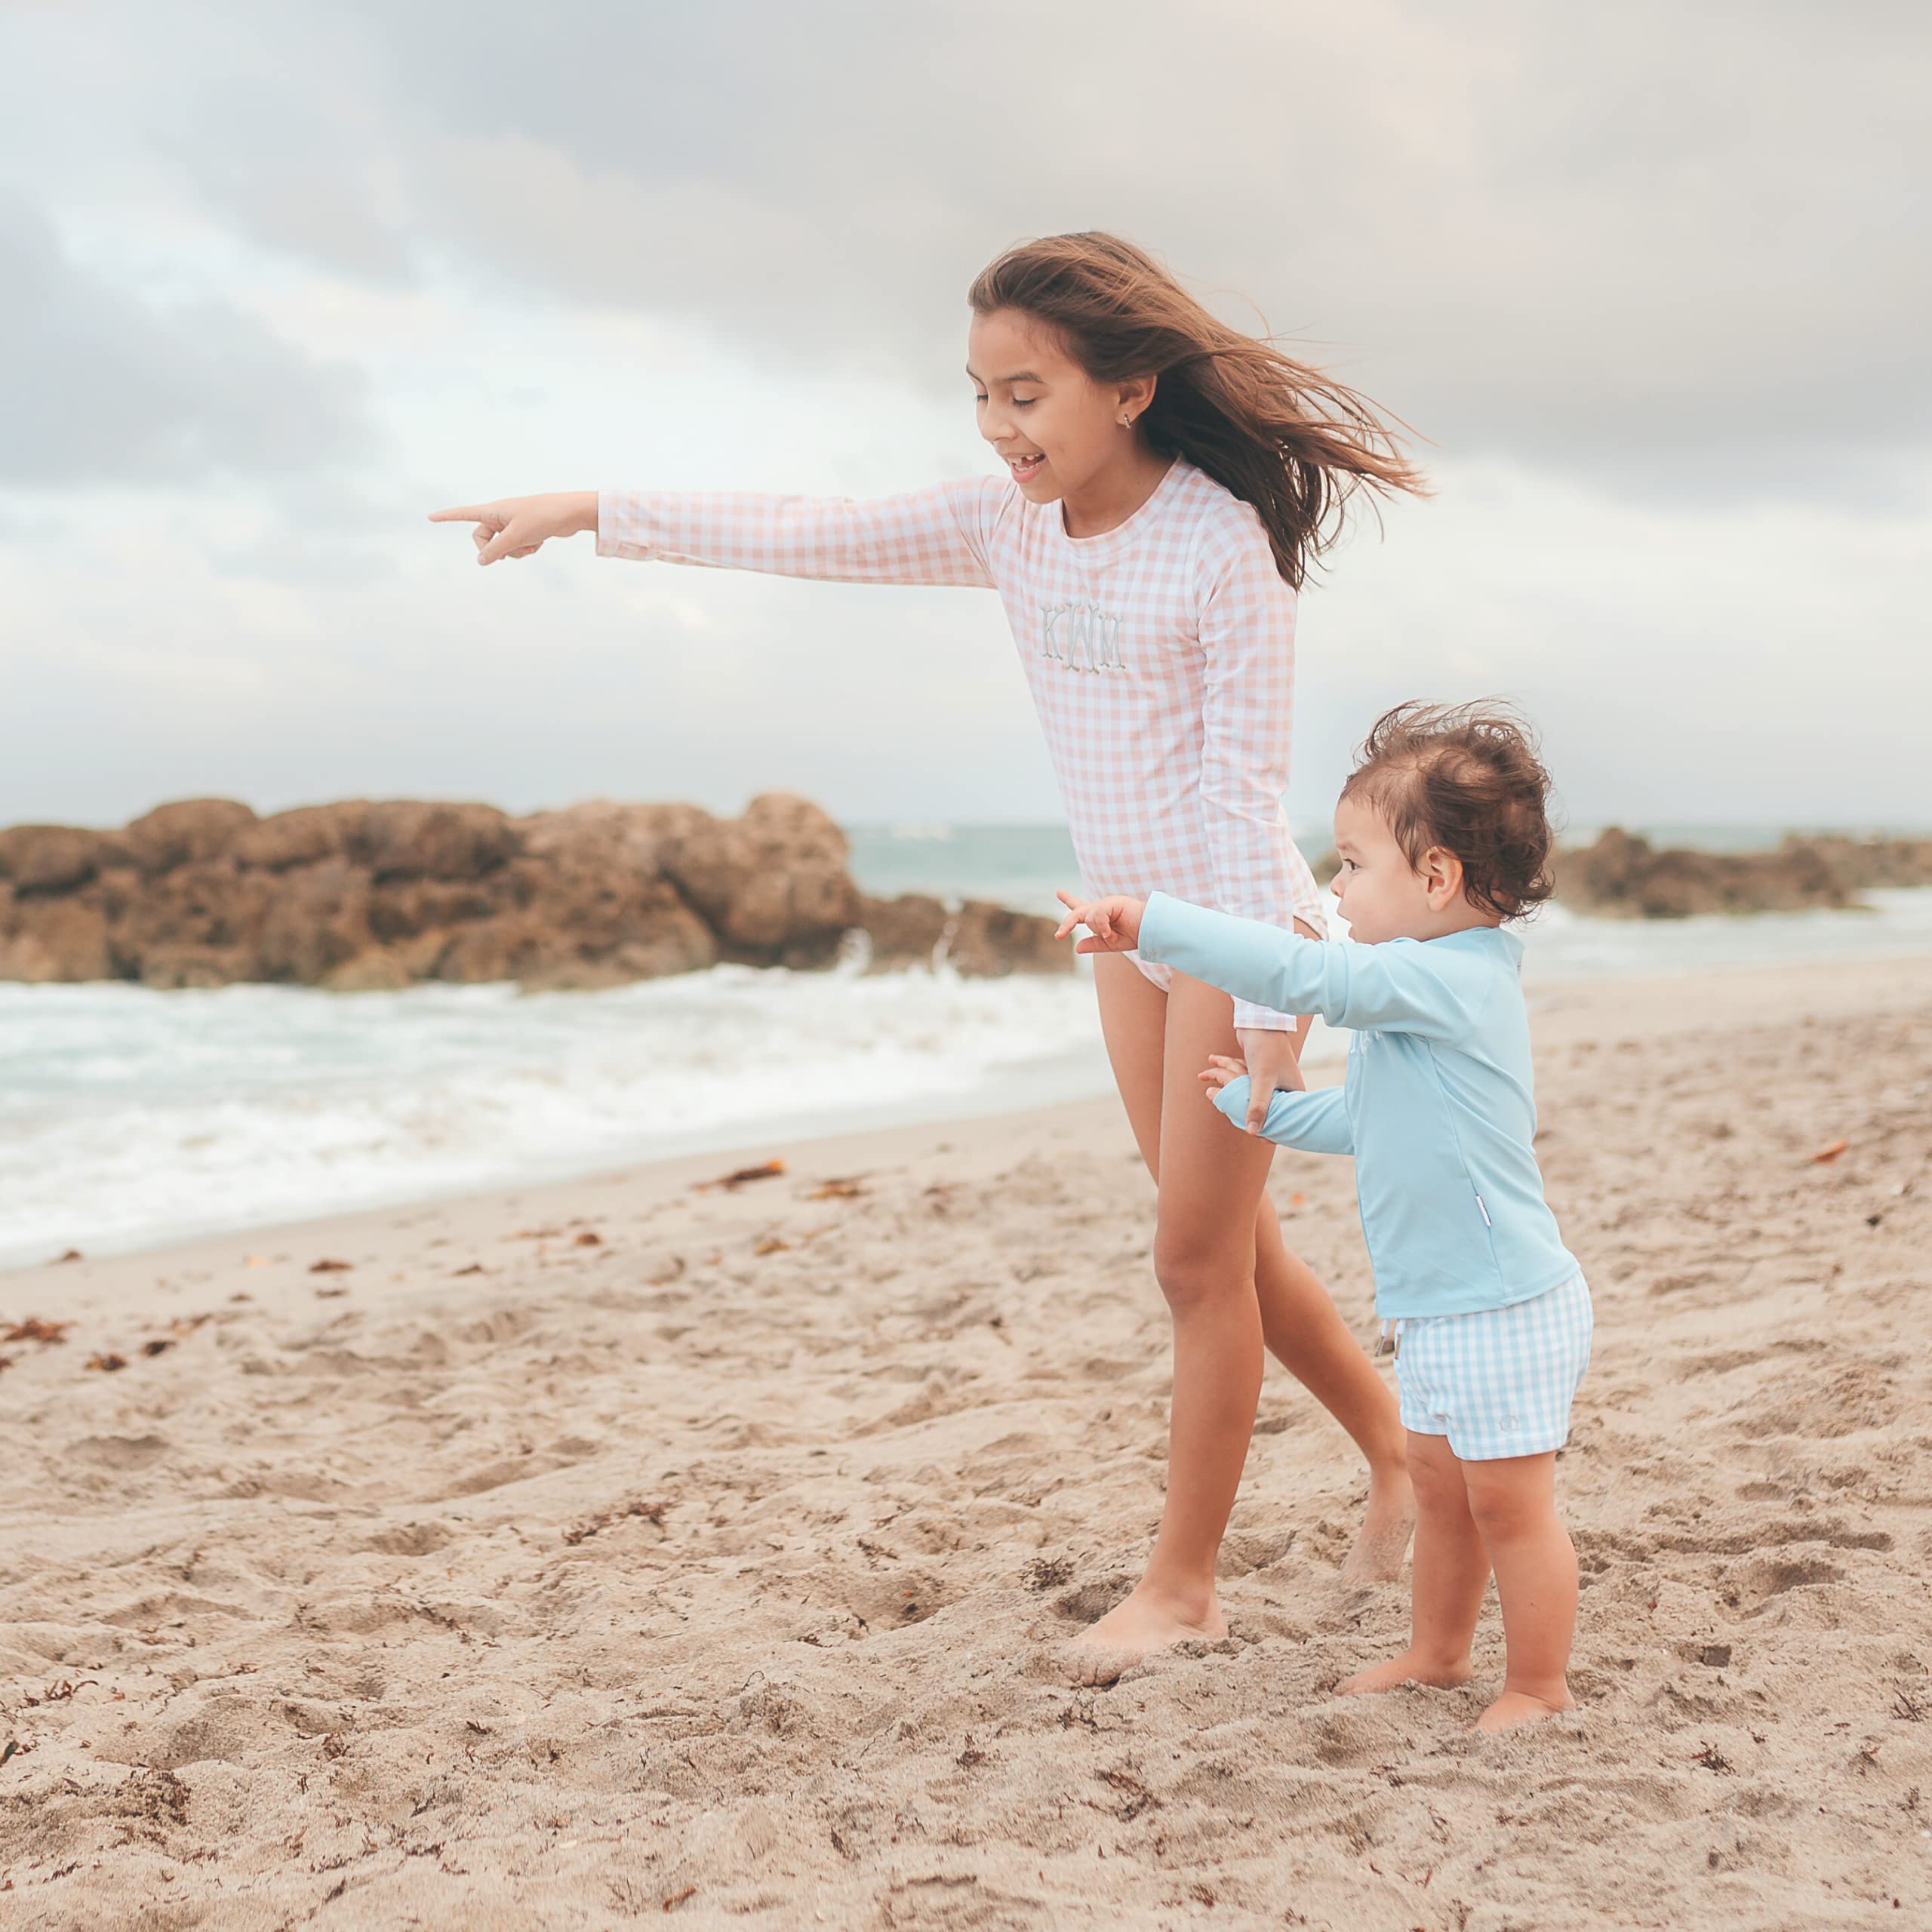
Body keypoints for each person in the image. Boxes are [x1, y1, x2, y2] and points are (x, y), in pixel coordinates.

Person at [430, 231, 1427, 1670]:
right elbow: (808, 530)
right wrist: (591, 507)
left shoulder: (1225, 549)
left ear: (1130, 388)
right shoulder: (1005, 524)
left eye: (1026, 395)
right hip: (1115, 926)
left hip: (1227, 929)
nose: (996, 427)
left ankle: (1184, 1585)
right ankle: (1395, 1452)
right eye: (979, 394)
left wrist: (1255, 991)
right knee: (1233, 1251)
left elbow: (1230, 799)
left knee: (1191, 1264)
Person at [1055, 702, 1591, 1730]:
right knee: (1440, 1492)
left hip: (1505, 1302)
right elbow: (1375, 1120)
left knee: (1509, 1510)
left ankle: (1537, 1685)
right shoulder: (1423, 990)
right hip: (1439, 1304)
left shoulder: (1448, 981)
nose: (1334, 889)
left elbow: (1307, 974)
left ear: (1435, 878)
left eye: (1351, 865)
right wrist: (1261, 1107)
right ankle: (1436, 1655)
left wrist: (1151, 923)